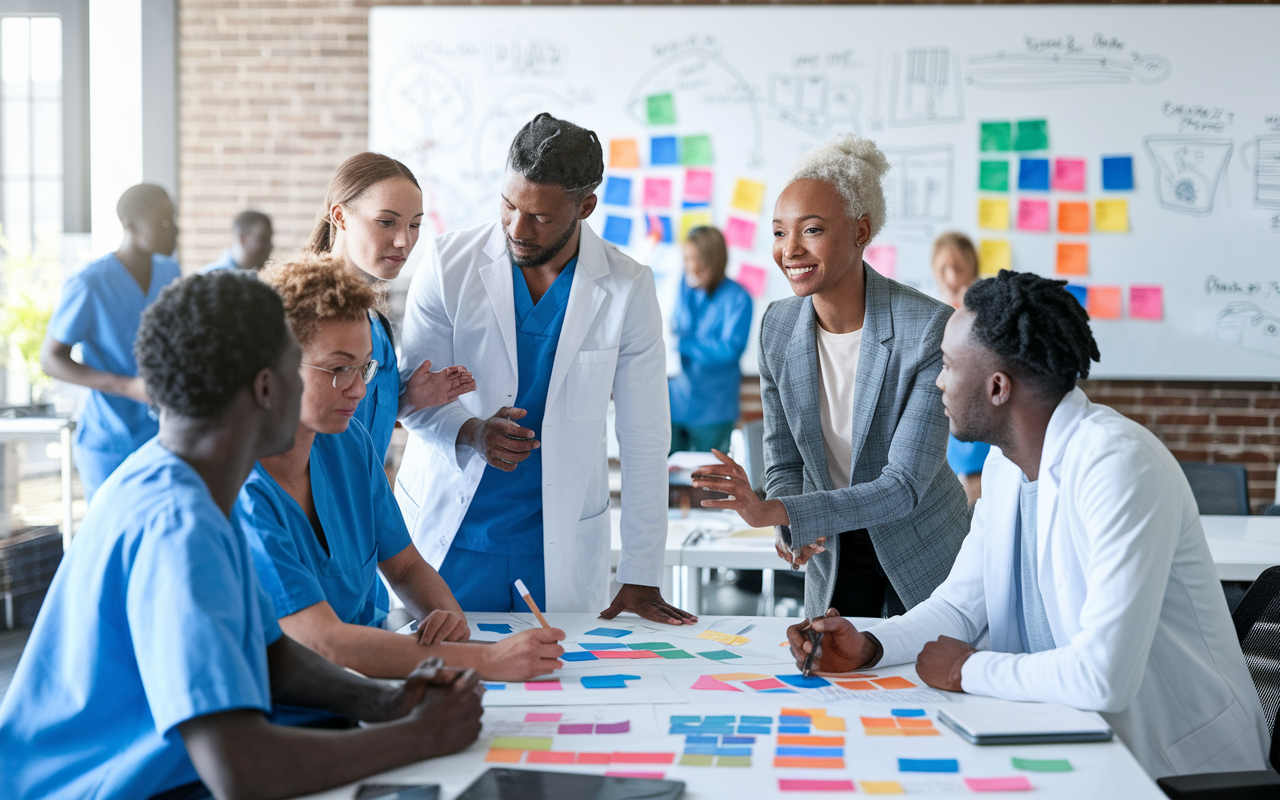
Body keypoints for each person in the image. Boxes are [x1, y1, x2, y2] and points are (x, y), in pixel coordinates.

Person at [0, 271, 483, 800]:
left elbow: (271, 653)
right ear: (268, 386)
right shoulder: (179, 522)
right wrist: (421, 735)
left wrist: (387, 703)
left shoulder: (186, 480)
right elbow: (242, 769)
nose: (356, 390)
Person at [787, 270, 1270, 778]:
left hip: (1178, 769)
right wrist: (871, 645)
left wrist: (965, 668)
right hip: (1070, 743)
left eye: (948, 365)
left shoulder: (1120, 465)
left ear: (997, 387)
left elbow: (1103, 677)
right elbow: (958, 607)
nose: (938, 381)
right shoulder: (1005, 465)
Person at [396, 113, 694, 624]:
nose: (516, 228)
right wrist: (470, 431)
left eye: (539, 217)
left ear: (586, 207)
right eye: (509, 205)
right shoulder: (449, 263)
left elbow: (645, 435)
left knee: (560, 694)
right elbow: (412, 399)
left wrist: (641, 572)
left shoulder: (627, 286)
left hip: (556, 547)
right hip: (449, 540)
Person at [240, 253, 564, 689]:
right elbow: (323, 643)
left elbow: (407, 567)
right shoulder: (242, 488)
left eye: (366, 367)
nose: (359, 389)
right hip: (292, 697)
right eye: (338, 369)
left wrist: (443, 615)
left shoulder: (348, 442)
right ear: (274, 369)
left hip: (368, 680)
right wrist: (485, 660)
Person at [691, 135, 969, 619]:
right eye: (779, 233)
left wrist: (773, 512)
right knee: (835, 686)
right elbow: (784, 458)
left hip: (924, 553)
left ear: (861, 231)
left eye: (811, 230)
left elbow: (902, 486)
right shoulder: (777, 326)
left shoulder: (927, 328)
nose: (790, 249)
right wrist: (791, 524)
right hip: (833, 551)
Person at [307, 152, 476, 465]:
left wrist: (407, 399)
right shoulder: (304, 317)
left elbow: (358, 420)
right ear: (340, 217)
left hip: (365, 501)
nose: (404, 241)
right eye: (386, 222)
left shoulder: (374, 323)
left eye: (415, 225)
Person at [39, 183, 182, 500]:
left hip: (162, 433)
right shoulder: (89, 282)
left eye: (173, 219)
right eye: (162, 222)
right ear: (130, 226)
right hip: (109, 439)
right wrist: (127, 386)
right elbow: (51, 358)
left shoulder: (171, 273)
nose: (174, 230)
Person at [669, 225, 753, 455]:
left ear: (711, 260)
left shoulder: (739, 298)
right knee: (670, 479)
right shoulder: (685, 288)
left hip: (714, 407)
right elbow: (677, 328)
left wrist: (686, 344)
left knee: (709, 482)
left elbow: (729, 350)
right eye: (686, 259)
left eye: (694, 259)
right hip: (677, 400)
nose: (689, 265)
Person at [931, 231, 989, 505]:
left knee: (978, 485)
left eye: (958, 265)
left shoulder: (985, 303)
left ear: (972, 266)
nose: (952, 274)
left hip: (978, 399)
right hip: (942, 401)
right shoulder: (930, 304)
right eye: (945, 266)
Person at [200, 209, 274, 273]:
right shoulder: (210, 278)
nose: (270, 246)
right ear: (242, 238)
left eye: (269, 239)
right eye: (263, 239)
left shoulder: (267, 278)